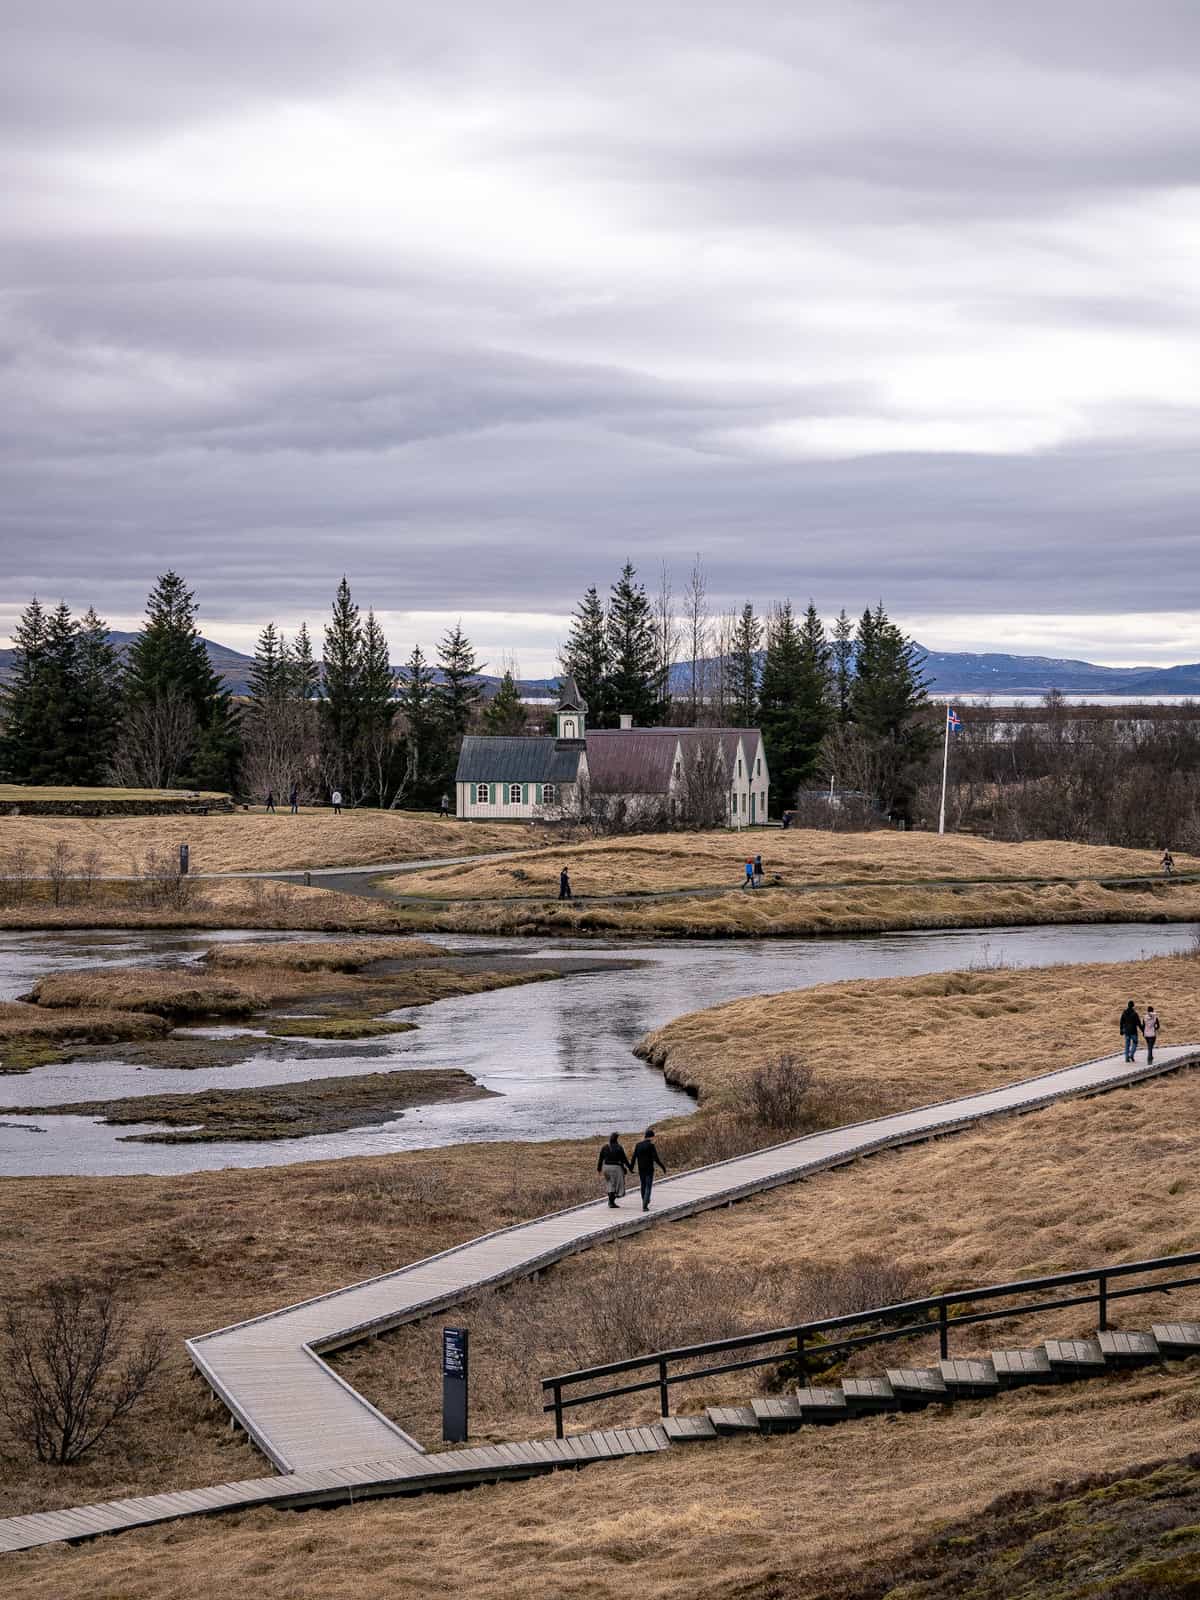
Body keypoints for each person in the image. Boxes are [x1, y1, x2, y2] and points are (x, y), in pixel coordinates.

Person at [630, 1128, 667, 1211]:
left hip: (641, 1168)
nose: (654, 1139)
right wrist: (662, 1167)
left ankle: (644, 1201)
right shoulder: (651, 1146)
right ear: (651, 1137)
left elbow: (633, 1157)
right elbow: (656, 1158)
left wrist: (631, 1168)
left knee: (643, 1185)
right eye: (653, 1137)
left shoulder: (638, 1145)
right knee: (648, 1186)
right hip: (649, 1169)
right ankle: (645, 1205)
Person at [597, 1132, 632, 1207]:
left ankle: (610, 1201)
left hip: (606, 1167)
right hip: (616, 1168)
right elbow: (624, 1159)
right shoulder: (619, 1147)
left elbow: (600, 1159)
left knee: (610, 1184)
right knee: (616, 1185)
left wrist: (599, 1169)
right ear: (617, 1139)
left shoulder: (605, 1147)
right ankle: (611, 1202)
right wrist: (630, 1168)